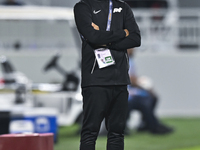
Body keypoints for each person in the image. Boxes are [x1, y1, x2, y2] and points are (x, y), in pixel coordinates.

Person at [74, 0, 141, 149]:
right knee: (90, 132)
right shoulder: (83, 7)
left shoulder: (123, 7)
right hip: (95, 80)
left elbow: (136, 38)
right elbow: (93, 37)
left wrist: (107, 41)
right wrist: (123, 33)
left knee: (117, 133)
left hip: (120, 80)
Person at [126, 48, 174, 135]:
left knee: (152, 97)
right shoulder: (123, 59)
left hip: (131, 91)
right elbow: (130, 79)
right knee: (145, 101)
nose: (133, 50)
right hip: (125, 93)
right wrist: (144, 86)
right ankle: (153, 126)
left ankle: (146, 123)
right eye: (131, 48)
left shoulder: (130, 60)